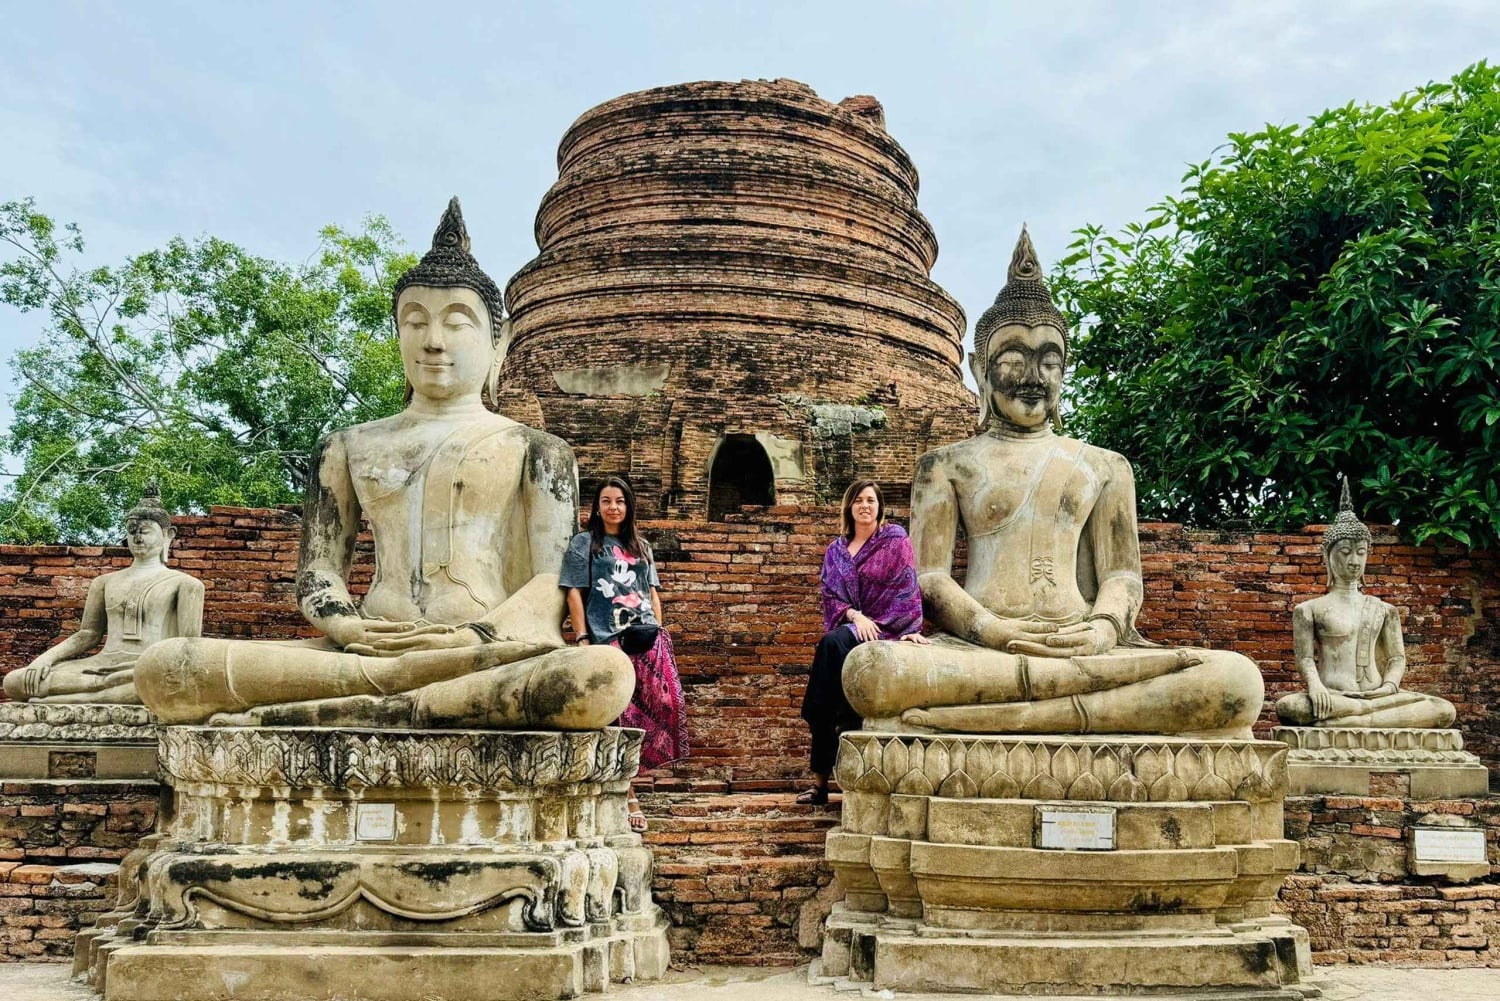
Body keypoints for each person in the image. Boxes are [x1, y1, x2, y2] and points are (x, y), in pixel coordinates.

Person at [133, 199, 633, 730]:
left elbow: (555, 577)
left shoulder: (537, 449)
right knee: (167, 668)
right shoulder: (348, 445)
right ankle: (402, 699)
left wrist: (475, 635)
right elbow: (320, 569)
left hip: (482, 650)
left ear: (498, 340)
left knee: (598, 677)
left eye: (456, 323)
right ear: (398, 334)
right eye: (415, 322)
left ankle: (356, 705)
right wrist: (346, 627)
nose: (433, 341)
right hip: (365, 647)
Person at [839, 227, 1263, 737]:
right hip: (983, 651)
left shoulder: (1106, 466)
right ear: (980, 369)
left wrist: (1103, 630)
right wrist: (993, 629)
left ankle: (1019, 717)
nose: (1032, 377)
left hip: (1085, 648)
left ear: (1065, 370)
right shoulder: (945, 465)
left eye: (1048, 360)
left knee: (1236, 680)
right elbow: (929, 577)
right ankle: (1078, 715)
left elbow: (1122, 576)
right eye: (1013, 359)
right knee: (871, 671)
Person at [1275, 476, 1456, 728]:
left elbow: (1396, 658)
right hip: (1333, 696)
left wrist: (1389, 686)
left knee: (1443, 710)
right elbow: (1305, 659)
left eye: (1360, 553)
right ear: (1328, 557)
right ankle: (1365, 719)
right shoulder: (1309, 610)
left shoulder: (1384, 609)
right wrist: (1315, 687)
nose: (1353, 561)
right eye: (1345, 552)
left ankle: (1349, 721)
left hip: (1380, 697)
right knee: (1290, 707)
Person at [562, 476, 687, 832]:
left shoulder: (641, 546)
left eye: (619, 501)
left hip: (646, 636)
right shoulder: (584, 543)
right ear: (597, 507)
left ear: (629, 506)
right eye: (606, 501)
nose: (613, 507)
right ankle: (630, 795)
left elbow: (652, 592)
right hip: (608, 637)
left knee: (664, 707)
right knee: (619, 714)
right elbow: (573, 592)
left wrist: (659, 630)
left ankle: (627, 774)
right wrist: (582, 637)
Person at [4, 485, 203, 704]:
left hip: (150, 668)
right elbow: (88, 634)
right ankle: (100, 692)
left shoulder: (186, 584)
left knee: (161, 683)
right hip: (100, 665)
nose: (137, 538)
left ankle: (76, 697)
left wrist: (151, 668)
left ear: (167, 535)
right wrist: (46, 659)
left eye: (145, 531)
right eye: (131, 530)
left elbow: (189, 646)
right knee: (15, 681)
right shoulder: (104, 582)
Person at [798, 479, 928, 805]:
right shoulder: (836, 550)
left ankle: (836, 781)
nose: (865, 506)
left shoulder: (895, 539)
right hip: (855, 626)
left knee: (831, 649)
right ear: (849, 507)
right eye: (858, 500)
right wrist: (856, 616)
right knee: (829, 693)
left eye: (870, 500)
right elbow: (830, 596)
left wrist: (910, 627)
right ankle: (820, 784)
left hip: (886, 627)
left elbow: (907, 585)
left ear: (880, 506)